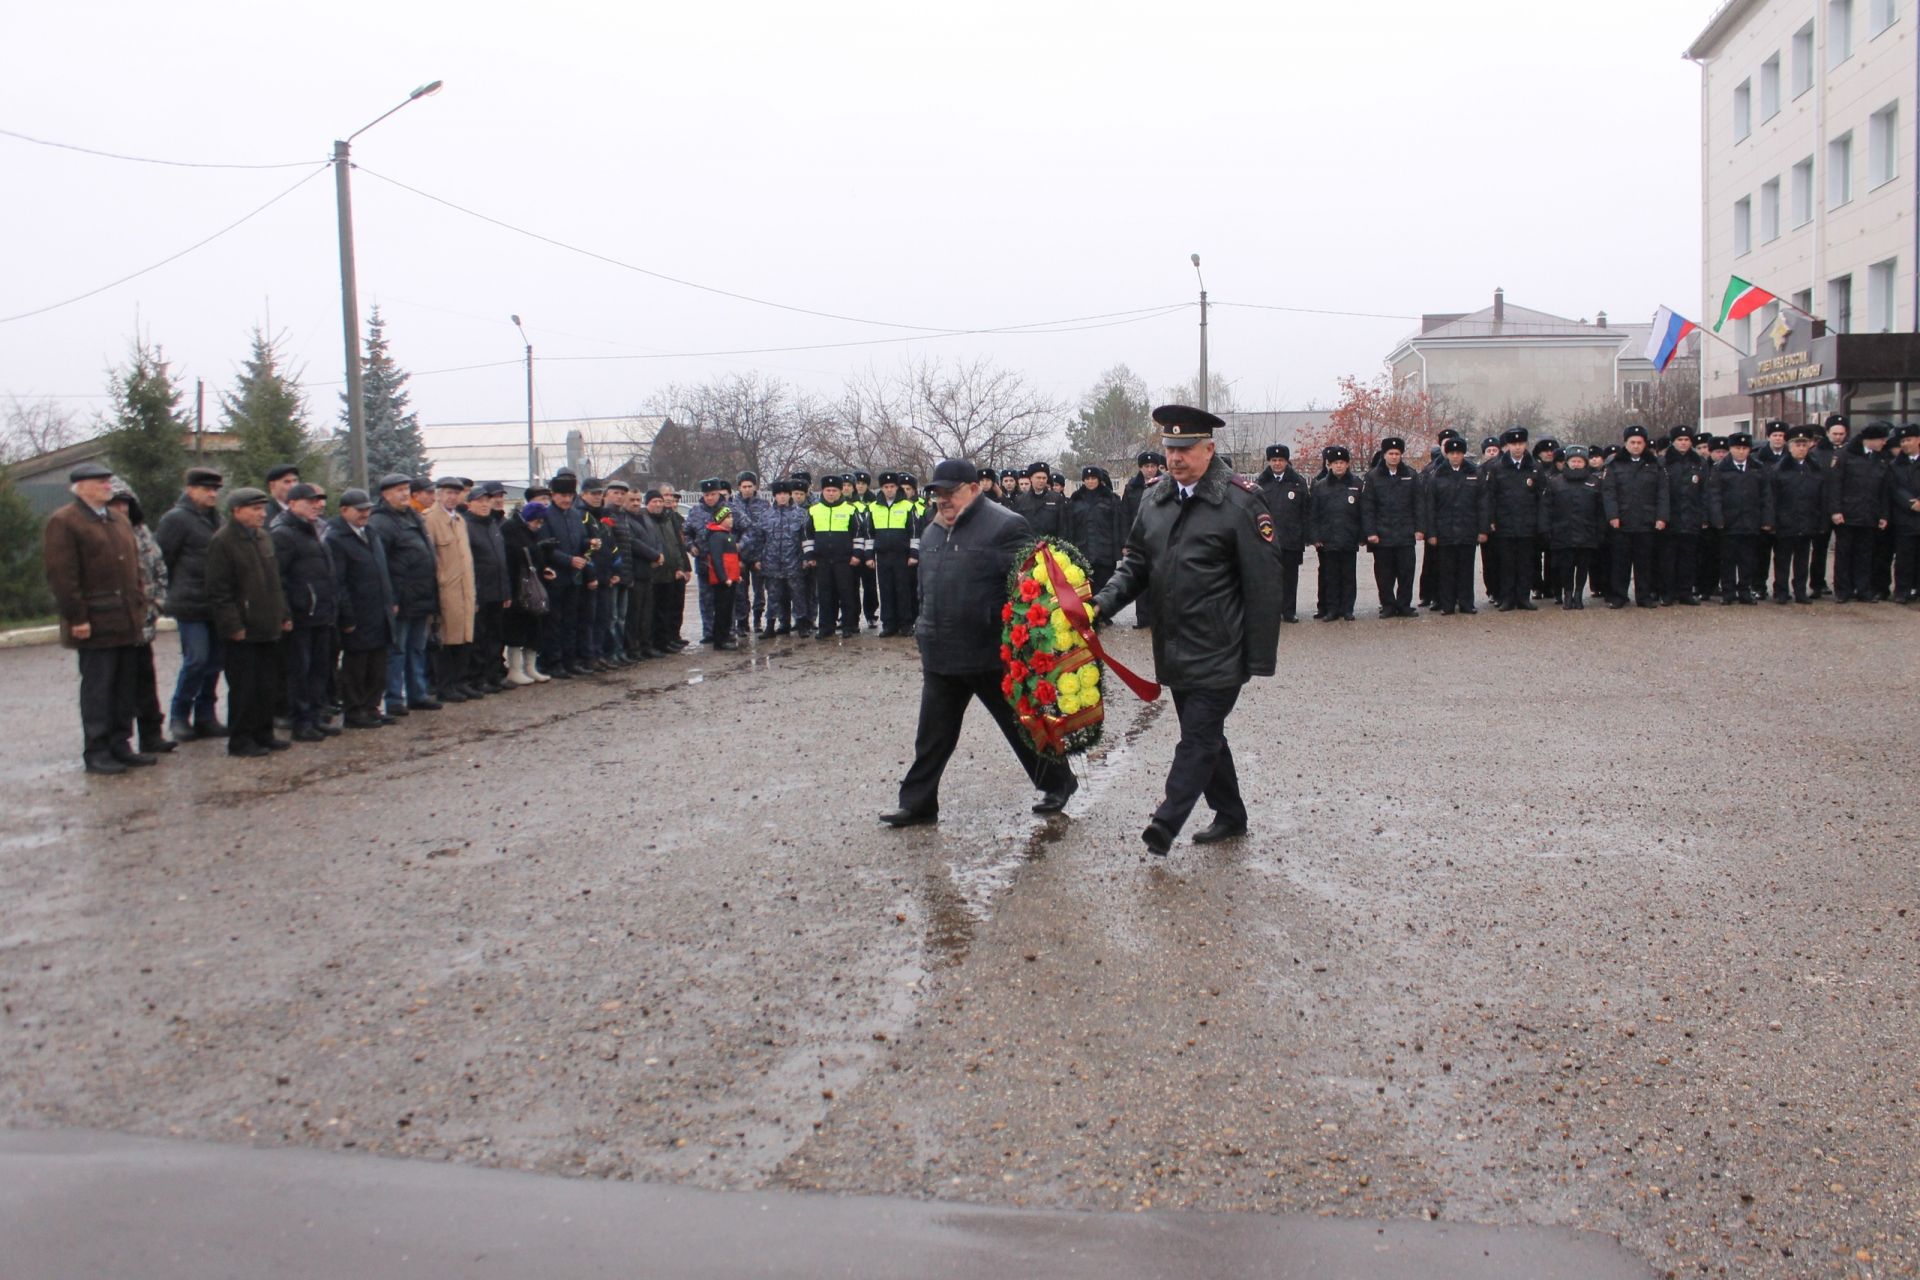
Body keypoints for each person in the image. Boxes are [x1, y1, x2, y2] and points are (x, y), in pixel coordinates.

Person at [1090, 405, 1281, 856]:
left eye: (1186, 448)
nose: (1175, 458)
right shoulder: (1154, 498)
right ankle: (1231, 815)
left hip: (1221, 647)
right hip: (1173, 645)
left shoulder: (1240, 501)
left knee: (1197, 736)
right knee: (1207, 734)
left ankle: (1166, 821)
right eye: (1170, 448)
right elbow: (1136, 563)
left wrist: (1257, 658)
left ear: (1209, 449)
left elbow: (1264, 583)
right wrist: (1101, 603)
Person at [881, 459, 1077, 828]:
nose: (943, 500)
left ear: (973, 489)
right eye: (937, 493)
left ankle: (1058, 781)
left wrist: (1028, 646)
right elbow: (925, 589)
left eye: (950, 492)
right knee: (932, 736)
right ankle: (918, 803)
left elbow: (1029, 591)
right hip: (941, 653)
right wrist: (924, 627)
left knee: (1020, 727)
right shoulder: (933, 532)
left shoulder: (1006, 525)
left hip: (990, 653)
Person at [43, 462, 151, 773]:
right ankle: (97, 749)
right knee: (98, 687)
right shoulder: (65, 521)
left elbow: (135, 567)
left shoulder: (118, 519)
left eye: (108, 481)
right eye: (101, 482)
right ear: (81, 487)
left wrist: (140, 604)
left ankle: (121, 743)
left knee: (124, 686)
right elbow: (62, 575)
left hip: (126, 619)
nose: (108, 486)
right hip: (95, 620)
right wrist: (76, 617)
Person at [204, 487, 292, 758]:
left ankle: (263, 733)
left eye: (263, 509)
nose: (261, 514)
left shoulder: (263, 537)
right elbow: (219, 590)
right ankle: (241, 739)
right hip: (243, 628)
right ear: (236, 511)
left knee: (267, 684)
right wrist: (233, 626)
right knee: (244, 687)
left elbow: (275, 582)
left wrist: (284, 614)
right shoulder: (223, 541)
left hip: (268, 624)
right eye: (255, 509)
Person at [154, 466, 227, 740]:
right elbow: (163, 559)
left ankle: (206, 715)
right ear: (190, 490)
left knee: (215, 662)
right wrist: (171, 593)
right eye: (206, 489)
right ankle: (179, 716)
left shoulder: (216, 520)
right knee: (196, 660)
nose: (211, 494)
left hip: (215, 604)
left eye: (215, 490)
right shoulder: (176, 519)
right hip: (189, 604)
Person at [105, 478, 177, 756]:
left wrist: (157, 602)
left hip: (144, 621)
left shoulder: (142, 531)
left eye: (125, 503)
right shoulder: (105, 533)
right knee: (119, 685)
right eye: (115, 503)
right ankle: (119, 741)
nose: (121, 508)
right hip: (119, 624)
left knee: (146, 680)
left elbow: (159, 567)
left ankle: (152, 735)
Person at [270, 483, 340, 740]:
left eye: (319, 501)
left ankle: (315, 717)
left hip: (321, 613)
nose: (317, 505)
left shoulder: (315, 531)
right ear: (293, 503)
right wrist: (285, 613)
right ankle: (300, 722)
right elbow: (278, 578)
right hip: (300, 616)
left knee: (319, 669)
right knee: (300, 671)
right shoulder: (283, 534)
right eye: (310, 501)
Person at [368, 473, 440, 714]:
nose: (404, 494)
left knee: (417, 647)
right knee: (396, 650)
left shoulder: (413, 516)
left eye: (406, 489)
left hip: (421, 595)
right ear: (385, 494)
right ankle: (394, 698)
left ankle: (417, 693)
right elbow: (381, 564)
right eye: (398, 489)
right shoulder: (381, 522)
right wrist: (391, 599)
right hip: (400, 597)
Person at [325, 489, 395, 727]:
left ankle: (372, 706)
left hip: (379, 609)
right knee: (357, 665)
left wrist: (390, 601)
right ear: (344, 511)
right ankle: (355, 711)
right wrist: (346, 616)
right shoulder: (336, 538)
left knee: (378, 663)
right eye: (359, 510)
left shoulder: (371, 533)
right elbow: (338, 582)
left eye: (367, 509)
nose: (365, 514)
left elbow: (382, 571)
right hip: (357, 612)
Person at [1602, 425, 1668, 609]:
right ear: (1626, 443)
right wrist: (1612, 515)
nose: (1636, 446)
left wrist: (1661, 517)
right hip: (1622, 521)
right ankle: (1619, 596)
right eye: (1632, 442)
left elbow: (1662, 493)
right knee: (1620, 562)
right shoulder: (1615, 464)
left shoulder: (1655, 465)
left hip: (1647, 521)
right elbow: (1609, 492)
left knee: (1644, 562)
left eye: (1640, 443)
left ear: (1645, 444)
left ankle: (1644, 596)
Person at [1827, 422, 1892, 602]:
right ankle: (1843, 590)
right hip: (1847, 514)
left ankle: (1863, 589)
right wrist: (1835, 510)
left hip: (1870, 514)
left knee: (1865, 555)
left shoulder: (1881, 458)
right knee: (1844, 554)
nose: (1884, 443)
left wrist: (1884, 515)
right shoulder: (1846, 456)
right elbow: (1835, 485)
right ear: (1869, 440)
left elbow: (1884, 490)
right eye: (1881, 439)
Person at [1707, 432, 1775, 604]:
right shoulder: (1720, 469)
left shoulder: (1757, 468)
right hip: (1729, 523)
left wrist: (1767, 520)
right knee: (1727, 560)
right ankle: (1728, 592)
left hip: (1751, 522)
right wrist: (1718, 519)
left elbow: (1766, 496)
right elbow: (1714, 496)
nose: (1741, 452)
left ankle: (1745, 590)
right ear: (1731, 449)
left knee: (1748, 560)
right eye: (1737, 448)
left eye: (1744, 448)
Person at [1361, 436, 1424, 618]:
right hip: (1382, 534)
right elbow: (1368, 507)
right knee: (1384, 574)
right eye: (1391, 453)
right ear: (1384, 454)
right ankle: (1387, 604)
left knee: (1406, 572)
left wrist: (1420, 528)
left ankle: (1404, 604)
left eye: (1397, 453)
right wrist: (1371, 532)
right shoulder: (1373, 477)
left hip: (1405, 533)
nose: (1394, 457)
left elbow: (1418, 504)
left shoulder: (1411, 475)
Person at [1481, 427, 1542, 611]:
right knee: (1506, 563)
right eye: (1513, 444)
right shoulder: (1497, 467)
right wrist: (1490, 520)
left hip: (1527, 524)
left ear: (1526, 444)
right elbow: (1490, 496)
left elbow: (1542, 497)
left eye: (1520, 443)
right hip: (1504, 523)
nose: (1517, 447)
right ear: (1507, 446)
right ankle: (1507, 598)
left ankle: (1523, 598)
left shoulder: (1534, 467)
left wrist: (1540, 522)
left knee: (1525, 563)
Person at [1422, 437, 1483, 616]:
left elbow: (1483, 503)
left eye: (1458, 453)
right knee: (1446, 570)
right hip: (1444, 531)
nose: (1455, 457)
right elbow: (1430, 507)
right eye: (1452, 453)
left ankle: (1466, 603)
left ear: (1463, 454)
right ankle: (1447, 604)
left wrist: (1482, 529)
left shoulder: (1474, 474)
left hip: (1467, 529)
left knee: (1466, 569)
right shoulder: (1437, 476)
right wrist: (1431, 533)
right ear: (1447, 454)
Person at [1540, 447, 1605, 608]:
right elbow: (1546, 507)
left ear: (1585, 463)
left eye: (1580, 461)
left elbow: (1600, 510)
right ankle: (1567, 594)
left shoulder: (1595, 482)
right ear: (1567, 462)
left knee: (1583, 566)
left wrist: (1600, 531)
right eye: (1573, 461)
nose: (1576, 464)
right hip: (1562, 531)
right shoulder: (1555, 482)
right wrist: (1546, 528)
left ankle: (1578, 594)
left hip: (1587, 531)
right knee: (1566, 566)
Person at [463, 482, 513, 690]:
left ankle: (494, 675)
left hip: (498, 590)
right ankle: (479, 678)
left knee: (496, 637)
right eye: (479, 501)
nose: (484, 505)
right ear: (470, 505)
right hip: (480, 591)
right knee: (479, 637)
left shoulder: (493, 524)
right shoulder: (466, 526)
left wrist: (506, 591)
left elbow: (502, 560)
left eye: (487, 501)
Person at [501, 497, 555, 682]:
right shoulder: (511, 529)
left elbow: (535, 558)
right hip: (518, 586)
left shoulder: (532, 532)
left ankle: (530, 667)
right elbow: (515, 557)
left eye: (541, 522)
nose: (538, 525)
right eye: (536, 521)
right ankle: (515, 669)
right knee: (517, 628)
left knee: (535, 627)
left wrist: (544, 566)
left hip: (532, 585)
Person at [804, 475, 864, 639]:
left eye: (834, 490)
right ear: (822, 491)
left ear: (840, 492)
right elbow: (807, 534)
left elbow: (859, 534)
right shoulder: (813, 510)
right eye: (828, 490)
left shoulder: (851, 509)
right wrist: (810, 555)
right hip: (822, 560)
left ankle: (848, 626)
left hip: (844, 560)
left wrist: (857, 554)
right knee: (824, 594)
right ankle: (826, 627)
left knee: (846, 593)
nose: (831, 493)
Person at [1254, 445, 1309, 623]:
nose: (1277, 463)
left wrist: (1304, 535)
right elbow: (1253, 511)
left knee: (1290, 577)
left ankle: (1289, 611)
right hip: (1267, 540)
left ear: (1287, 461)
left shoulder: (1297, 482)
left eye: (1281, 460)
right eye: (1274, 460)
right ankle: (1271, 611)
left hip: (1291, 539)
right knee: (1269, 578)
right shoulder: (1260, 483)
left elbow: (1305, 510)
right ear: (1269, 461)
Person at [1771, 426, 1825, 604]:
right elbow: (1773, 498)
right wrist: (1774, 520)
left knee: (1802, 560)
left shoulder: (1816, 469)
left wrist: (1819, 519)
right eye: (1797, 444)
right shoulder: (1779, 469)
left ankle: (1800, 591)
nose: (1801, 448)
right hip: (1785, 521)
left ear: (1809, 445)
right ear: (1790, 446)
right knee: (1782, 560)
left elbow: (1822, 496)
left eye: (1804, 444)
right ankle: (1781, 591)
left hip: (1808, 521)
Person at [1309, 446, 1364, 622]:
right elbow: (1314, 514)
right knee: (1331, 577)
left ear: (1347, 464)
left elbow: (1363, 512)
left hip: (1349, 537)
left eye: (1342, 463)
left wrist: (1362, 535)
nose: (1339, 466)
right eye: (1335, 463)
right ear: (1329, 465)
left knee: (1349, 576)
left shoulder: (1357, 484)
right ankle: (1332, 609)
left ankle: (1347, 609)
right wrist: (1316, 537)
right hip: (1328, 539)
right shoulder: (1320, 486)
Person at [866, 471, 921, 637]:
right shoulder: (873, 508)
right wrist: (869, 556)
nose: (889, 490)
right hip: (882, 556)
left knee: (903, 590)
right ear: (881, 488)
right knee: (886, 589)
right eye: (886, 487)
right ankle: (889, 624)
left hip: (902, 556)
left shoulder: (908, 506)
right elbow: (869, 534)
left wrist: (913, 554)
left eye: (892, 487)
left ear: (897, 488)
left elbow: (914, 532)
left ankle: (905, 624)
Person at [1659, 426, 1708, 606]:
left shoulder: (1699, 462)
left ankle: (1686, 592)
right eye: (1680, 440)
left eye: (1687, 440)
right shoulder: (1663, 463)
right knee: (1668, 559)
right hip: (1670, 518)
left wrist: (1703, 517)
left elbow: (1705, 492)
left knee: (1688, 558)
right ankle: (1668, 593)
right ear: (1673, 442)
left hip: (1691, 517)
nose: (1684, 443)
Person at [756, 481, 809, 636]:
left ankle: (801, 624)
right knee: (774, 596)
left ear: (790, 495)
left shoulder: (800, 514)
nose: (783, 497)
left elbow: (806, 538)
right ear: (774, 496)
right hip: (772, 563)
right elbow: (759, 539)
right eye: (779, 494)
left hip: (794, 562)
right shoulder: (766, 516)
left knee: (798, 595)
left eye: (785, 494)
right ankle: (773, 625)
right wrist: (758, 559)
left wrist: (806, 558)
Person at [1065, 465, 1124, 596]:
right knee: (1084, 594)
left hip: (1105, 554)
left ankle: (1103, 616)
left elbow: (1117, 525)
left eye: (1093, 478)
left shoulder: (1111, 499)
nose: (1090, 481)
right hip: (1081, 553)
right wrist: (1069, 551)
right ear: (1083, 480)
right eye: (1087, 478)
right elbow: (1070, 527)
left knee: (1104, 593)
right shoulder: (1075, 500)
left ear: (1099, 479)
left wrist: (1118, 550)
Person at [1121, 451, 1164, 629]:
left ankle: (1158, 618)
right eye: (1146, 466)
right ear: (1140, 468)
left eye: (1153, 466)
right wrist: (1125, 543)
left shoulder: (1166, 484)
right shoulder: (1132, 487)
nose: (1150, 469)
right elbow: (1124, 515)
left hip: (1160, 538)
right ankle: (1143, 618)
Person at [651, 486, 692, 652]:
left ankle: (674, 636)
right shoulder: (657, 519)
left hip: (677, 567)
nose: (668, 499)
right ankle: (664, 639)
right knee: (663, 607)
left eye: (671, 496)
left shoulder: (674, 518)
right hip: (663, 570)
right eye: (664, 495)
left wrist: (685, 567)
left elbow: (679, 546)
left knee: (677, 605)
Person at [703, 505, 744, 650]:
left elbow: (733, 559)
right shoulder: (716, 536)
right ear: (720, 519)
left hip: (731, 579)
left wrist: (736, 576)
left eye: (731, 517)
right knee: (722, 610)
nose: (731, 520)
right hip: (723, 581)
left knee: (728, 610)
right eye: (728, 517)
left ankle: (725, 636)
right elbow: (716, 559)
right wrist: (723, 577)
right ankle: (720, 640)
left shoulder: (728, 535)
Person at [1890, 425, 1920, 602]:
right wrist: (1911, 503)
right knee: (1904, 557)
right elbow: (1895, 488)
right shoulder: (1896, 465)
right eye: (1902, 441)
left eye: (1909, 440)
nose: (1905, 444)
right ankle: (1902, 590)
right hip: (1905, 517)